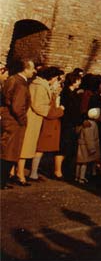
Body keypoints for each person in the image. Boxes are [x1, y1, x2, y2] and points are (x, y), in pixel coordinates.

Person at [17, 66, 64, 185]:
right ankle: (20, 174)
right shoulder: (40, 86)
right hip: (32, 119)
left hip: (34, 119)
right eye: (56, 77)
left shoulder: (40, 85)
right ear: (52, 77)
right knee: (25, 148)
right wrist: (57, 111)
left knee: (26, 147)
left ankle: (18, 173)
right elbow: (38, 105)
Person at [0, 59, 35, 189]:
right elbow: (18, 106)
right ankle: (2, 181)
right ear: (25, 69)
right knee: (10, 152)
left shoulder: (11, 79)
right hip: (14, 122)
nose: (33, 71)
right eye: (32, 68)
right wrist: (23, 120)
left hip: (7, 118)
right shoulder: (21, 84)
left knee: (5, 149)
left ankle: (3, 180)